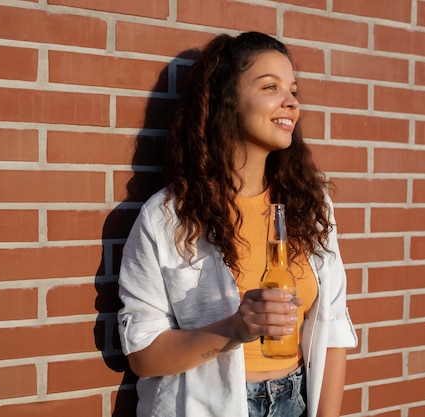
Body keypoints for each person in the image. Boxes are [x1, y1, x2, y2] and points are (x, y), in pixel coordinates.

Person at [117, 31, 357, 417]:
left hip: (294, 401)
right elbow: (143, 355)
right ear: (227, 100)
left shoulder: (311, 207)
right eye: (271, 87)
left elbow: (333, 328)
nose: (291, 102)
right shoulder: (167, 217)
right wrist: (234, 329)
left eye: (293, 90)